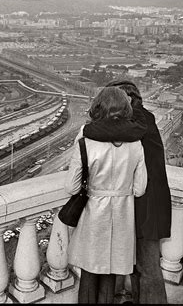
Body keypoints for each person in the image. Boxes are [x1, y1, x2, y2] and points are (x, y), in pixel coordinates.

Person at [83, 80, 172, 304]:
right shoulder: (143, 118)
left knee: (147, 266)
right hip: (145, 202)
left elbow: (97, 131)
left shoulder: (137, 120)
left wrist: (89, 125)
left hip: (145, 204)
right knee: (139, 266)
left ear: (128, 100)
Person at [65, 86, 148, 304]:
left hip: (94, 213)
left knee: (90, 272)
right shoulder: (137, 142)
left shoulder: (86, 137)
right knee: (111, 274)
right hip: (122, 216)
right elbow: (139, 189)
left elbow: (72, 188)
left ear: (98, 108)